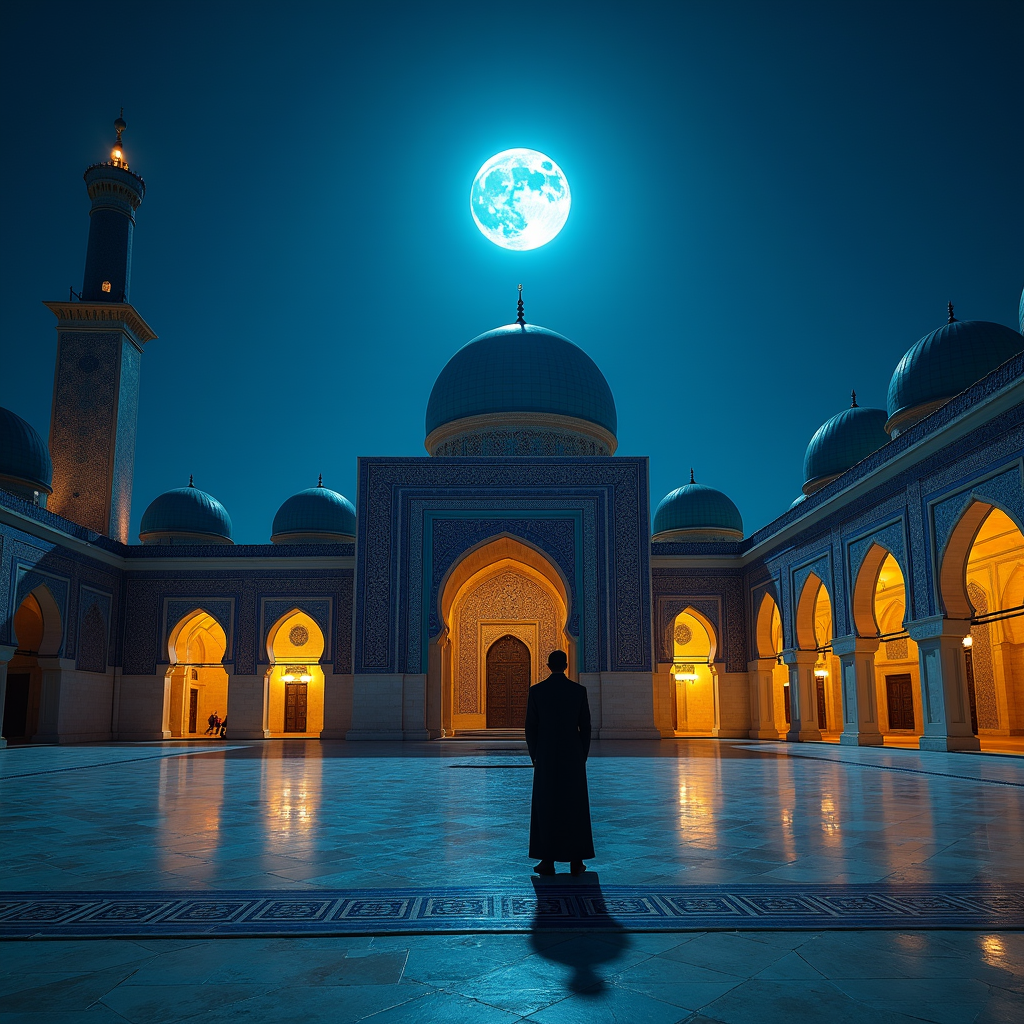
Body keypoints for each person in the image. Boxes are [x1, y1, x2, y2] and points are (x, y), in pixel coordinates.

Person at [524, 649, 595, 876]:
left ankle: (548, 860)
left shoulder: (537, 691)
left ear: (547, 665)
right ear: (566, 665)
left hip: (545, 755)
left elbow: (530, 728)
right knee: (574, 806)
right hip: (572, 755)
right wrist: (581, 753)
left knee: (547, 806)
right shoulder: (578, 691)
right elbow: (586, 726)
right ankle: (577, 861)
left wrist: (535, 754)